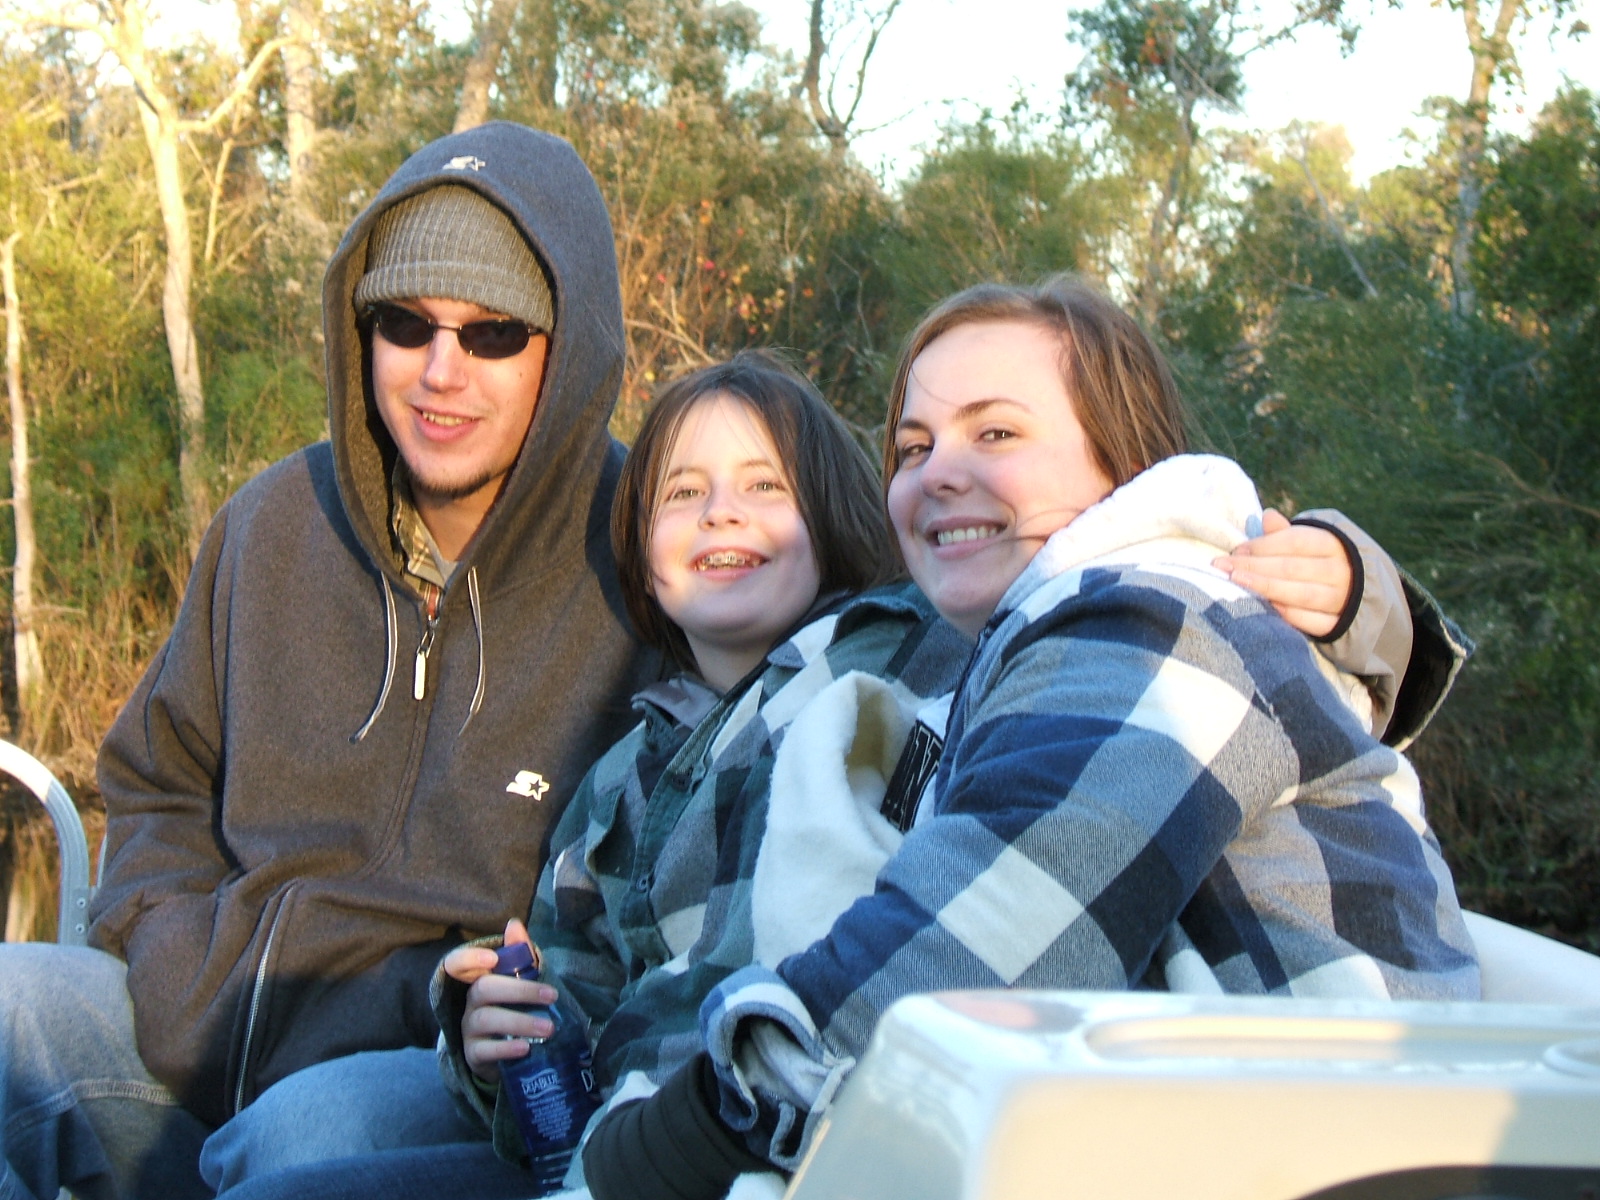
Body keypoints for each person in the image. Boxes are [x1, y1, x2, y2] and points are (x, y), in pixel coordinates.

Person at [211, 341, 1463, 1200]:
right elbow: (575, 987)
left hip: (771, 1127)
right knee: (282, 1160)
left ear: (837, 515)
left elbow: (1172, 604)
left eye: (763, 487)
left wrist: (1356, 586)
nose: (720, 516)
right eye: (681, 495)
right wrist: (489, 1041)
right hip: (629, 1126)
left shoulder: (913, 647)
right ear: (641, 550)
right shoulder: (621, 776)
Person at [572, 279, 1478, 1200]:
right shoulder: (1019, 647)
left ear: (1123, 461)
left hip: (1330, 1157)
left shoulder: (1156, 620)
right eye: (913, 448)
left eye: (996, 432)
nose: (937, 472)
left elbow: (980, 948)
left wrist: (682, 1132)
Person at [0, 121, 658, 1200]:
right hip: (205, 1026)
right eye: (405, 323)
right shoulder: (268, 525)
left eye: (492, 333)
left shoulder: (646, 559)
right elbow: (157, 780)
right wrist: (169, 958)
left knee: (309, 1138)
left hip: (439, 1071)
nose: (440, 371)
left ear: (567, 349)